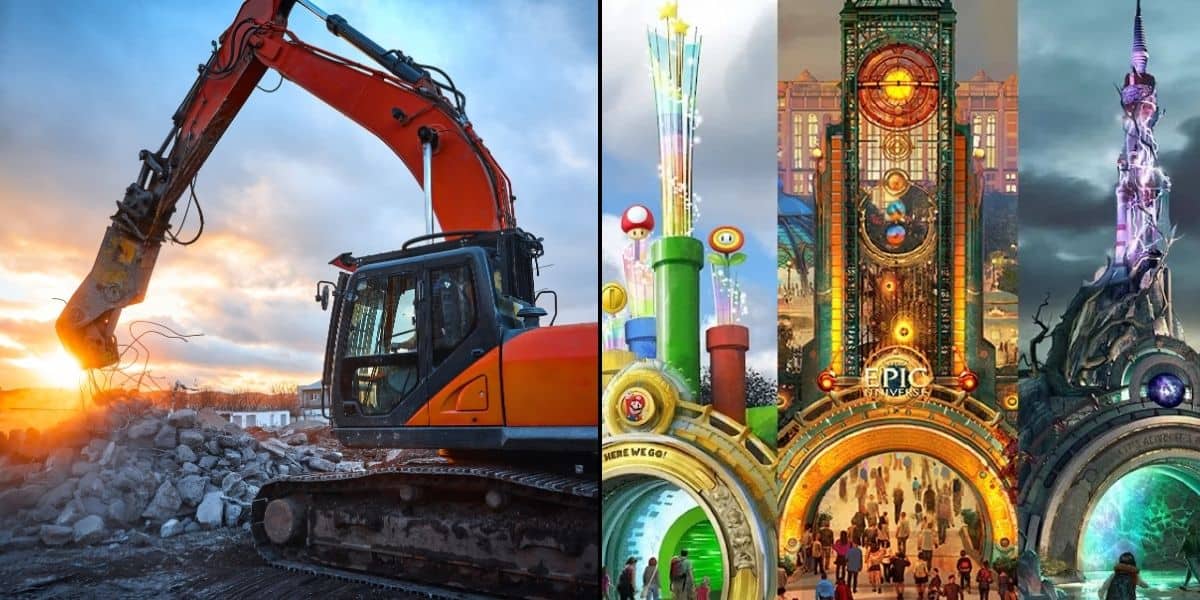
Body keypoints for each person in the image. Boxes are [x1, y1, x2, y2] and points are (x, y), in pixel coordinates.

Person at [1180, 521, 1200, 590]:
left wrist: (1178, 553)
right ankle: (1185, 585)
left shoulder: (1187, 537)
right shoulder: (1198, 536)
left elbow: (1183, 546)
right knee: (1190, 570)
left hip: (1190, 557)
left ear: (1189, 530)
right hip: (1197, 556)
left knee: (1196, 571)